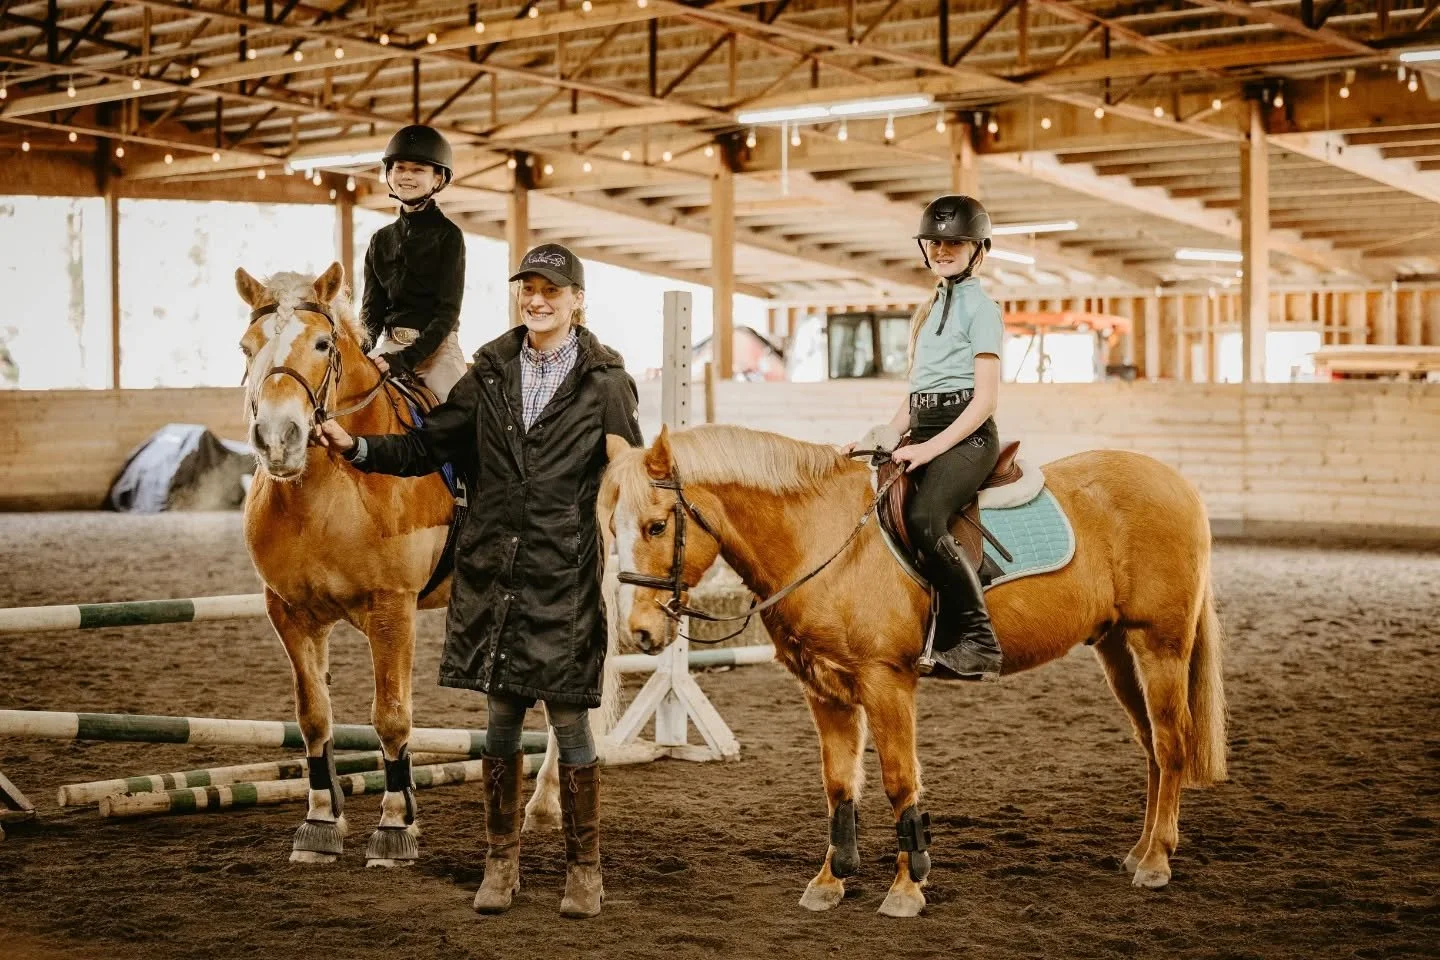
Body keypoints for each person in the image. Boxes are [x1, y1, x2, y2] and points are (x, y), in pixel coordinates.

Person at [313, 242, 644, 918]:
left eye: (552, 290)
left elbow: (626, 469)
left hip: (563, 574)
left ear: (577, 300)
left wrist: (627, 505)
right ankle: (501, 862)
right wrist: (360, 446)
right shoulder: (490, 370)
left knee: (571, 726)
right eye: (529, 288)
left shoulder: (607, 380)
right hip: (494, 571)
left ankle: (584, 870)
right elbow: (427, 445)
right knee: (499, 725)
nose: (538, 299)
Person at [842, 195, 1005, 682]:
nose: (941, 250)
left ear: (977, 250)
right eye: (933, 242)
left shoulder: (983, 311)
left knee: (923, 518)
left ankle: (980, 640)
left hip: (968, 438)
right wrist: (880, 438)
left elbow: (985, 401)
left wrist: (931, 449)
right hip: (924, 429)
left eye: (954, 242)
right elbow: (918, 398)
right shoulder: (927, 310)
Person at [361, 123, 469, 401]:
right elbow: (372, 312)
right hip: (390, 345)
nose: (406, 176)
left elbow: (447, 313)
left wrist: (406, 359)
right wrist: (359, 351)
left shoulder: (449, 236)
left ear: (437, 179)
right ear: (390, 173)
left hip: (437, 352)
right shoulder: (380, 240)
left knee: (461, 411)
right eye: (400, 168)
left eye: (418, 169)